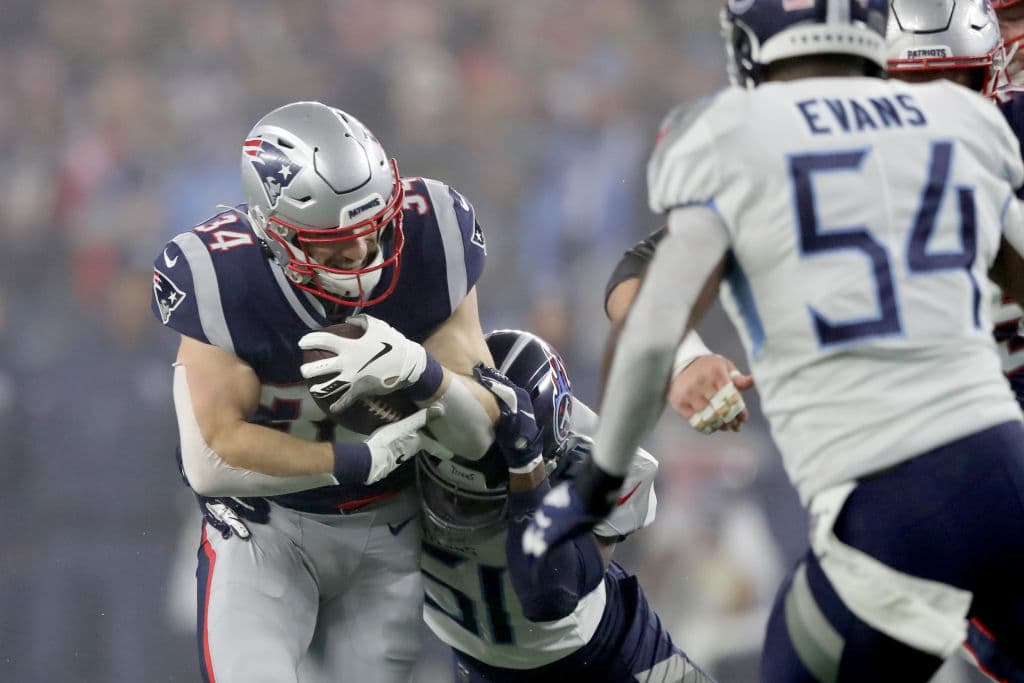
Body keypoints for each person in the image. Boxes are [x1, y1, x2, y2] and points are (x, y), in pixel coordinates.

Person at [524, 1, 1024, 680]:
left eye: (951, 83)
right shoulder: (958, 134)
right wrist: (690, 356)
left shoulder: (753, 137)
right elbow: (635, 277)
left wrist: (594, 485)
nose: (925, 101)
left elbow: (648, 316)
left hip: (899, 495)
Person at [151, 101, 498, 682]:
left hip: (393, 528)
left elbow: (480, 430)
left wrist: (419, 370)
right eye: (331, 243)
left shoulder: (432, 227)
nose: (361, 256)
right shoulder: (221, 275)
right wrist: (353, 459)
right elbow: (212, 457)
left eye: (374, 229)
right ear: (272, 231)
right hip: (269, 530)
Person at [416, 328, 715, 682]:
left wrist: (524, 467)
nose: (456, 498)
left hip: (606, 659)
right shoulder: (401, 438)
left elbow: (551, 595)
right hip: (479, 667)